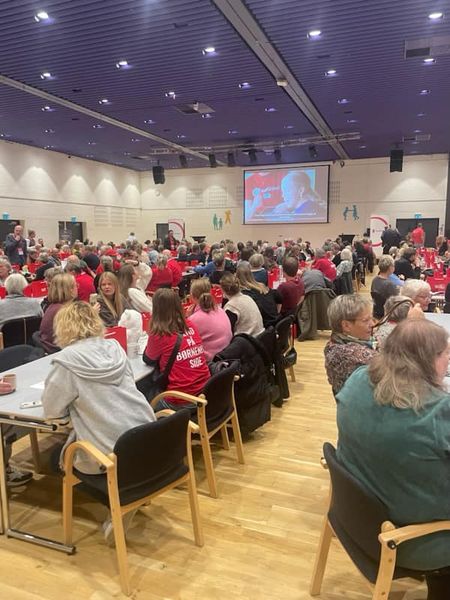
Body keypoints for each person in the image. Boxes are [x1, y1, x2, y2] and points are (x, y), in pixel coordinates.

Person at [336, 319, 450, 598]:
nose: (448, 362)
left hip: (356, 520)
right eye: (447, 355)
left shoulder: (358, 378)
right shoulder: (437, 412)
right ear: (429, 360)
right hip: (415, 540)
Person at [42, 301, 155, 474]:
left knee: (53, 461)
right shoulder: (115, 347)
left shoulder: (66, 360)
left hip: (107, 454)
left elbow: (52, 410)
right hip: (145, 434)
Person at [143, 288, 210, 411]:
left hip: (181, 400)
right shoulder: (190, 325)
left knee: (143, 396)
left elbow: (148, 359)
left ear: (156, 309)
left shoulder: (159, 333)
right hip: (204, 392)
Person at [324, 294, 376, 397]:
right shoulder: (348, 355)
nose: (373, 324)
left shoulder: (335, 341)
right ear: (346, 325)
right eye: (366, 320)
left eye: (371, 318)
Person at [187, 278, 232, 360]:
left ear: (192, 296)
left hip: (213, 360)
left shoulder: (194, 319)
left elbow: (185, 342)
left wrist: (188, 318)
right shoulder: (220, 309)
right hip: (227, 354)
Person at [36, 273, 78, 353]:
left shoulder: (56, 307)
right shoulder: (61, 310)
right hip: (58, 351)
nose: (77, 288)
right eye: (75, 285)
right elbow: (75, 337)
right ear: (70, 290)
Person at [236, 263, 280, 328]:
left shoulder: (245, 294)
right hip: (275, 321)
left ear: (237, 277)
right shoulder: (262, 286)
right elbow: (279, 297)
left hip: (265, 325)